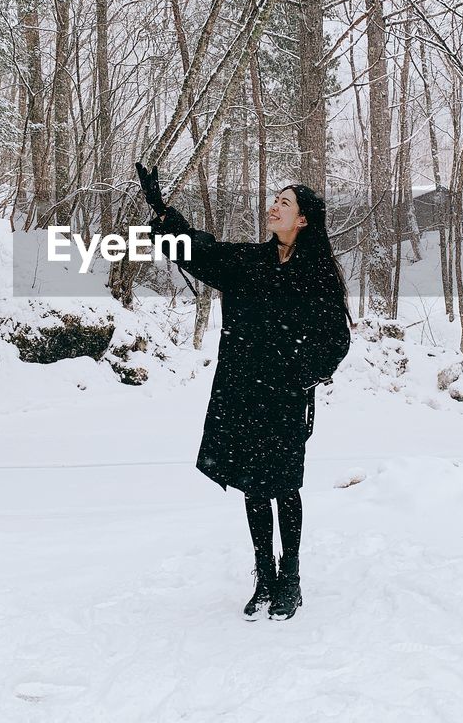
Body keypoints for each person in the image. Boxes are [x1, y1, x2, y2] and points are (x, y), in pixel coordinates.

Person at [135, 162, 352, 620]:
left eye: (284, 203)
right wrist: (162, 212)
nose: (273, 207)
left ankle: (290, 577)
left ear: (304, 219)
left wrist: (302, 376)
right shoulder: (250, 262)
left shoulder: (318, 275)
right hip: (243, 393)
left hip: (286, 398)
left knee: (285, 487)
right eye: (274, 200)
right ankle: (265, 576)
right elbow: (201, 251)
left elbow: (336, 340)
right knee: (253, 486)